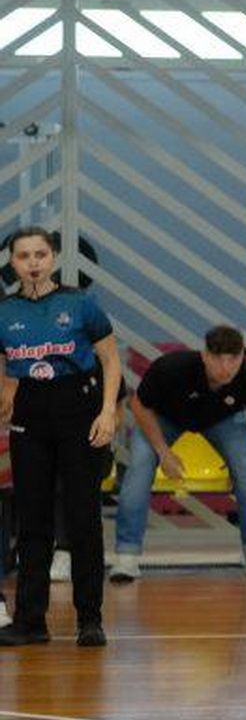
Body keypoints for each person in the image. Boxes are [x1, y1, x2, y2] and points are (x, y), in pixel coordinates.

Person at [0, 227, 121, 648]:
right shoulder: (5, 310)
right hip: (30, 414)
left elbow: (111, 360)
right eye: (23, 256)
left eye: (40, 254)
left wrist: (108, 412)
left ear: (52, 258)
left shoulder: (80, 303)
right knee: (32, 520)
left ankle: (90, 619)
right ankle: (31, 621)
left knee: (83, 518)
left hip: (79, 410)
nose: (33, 263)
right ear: (12, 263)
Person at [112, 325, 246, 581]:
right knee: (139, 467)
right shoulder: (172, 368)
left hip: (222, 421)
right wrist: (163, 452)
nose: (226, 368)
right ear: (205, 356)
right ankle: (127, 556)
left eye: (233, 359)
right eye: (218, 359)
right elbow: (139, 405)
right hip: (164, 418)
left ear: (242, 357)